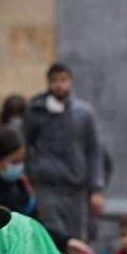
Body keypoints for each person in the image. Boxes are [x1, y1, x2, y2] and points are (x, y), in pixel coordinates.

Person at [0, 128, 94, 254]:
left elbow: (34, 226)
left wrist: (66, 242)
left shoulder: (19, 188)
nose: (19, 166)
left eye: (21, 161)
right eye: (14, 162)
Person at [23, 62, 106, 241]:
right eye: (54, 80)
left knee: (78, 239)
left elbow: (94, 151)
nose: (59, 85)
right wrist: (30, 175)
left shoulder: (84, 113)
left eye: (63, 80)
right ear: (48, 83)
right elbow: (24, 145)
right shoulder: (36, 111)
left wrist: (96, 189)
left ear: (71, 81)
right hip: (46, 186)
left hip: (76, 188)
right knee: (53, 238)